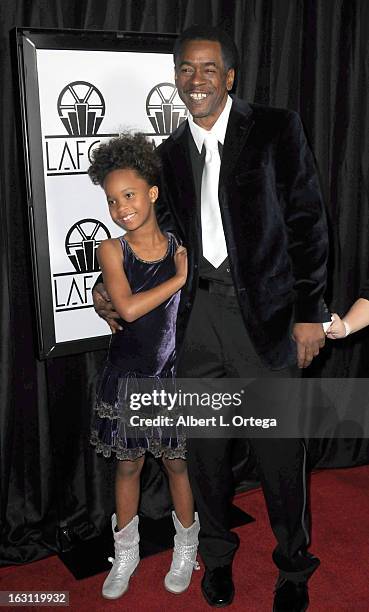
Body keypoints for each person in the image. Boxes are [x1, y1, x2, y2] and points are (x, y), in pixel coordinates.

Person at [93, 26, 330, 610]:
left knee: (280, 456)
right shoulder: (170, 154)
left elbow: (309, 224)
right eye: (184, 70)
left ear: (229, 77)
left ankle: (293, 567)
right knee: (207, 454)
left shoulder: (277, 128)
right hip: (197, 323)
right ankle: (217, 559)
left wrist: (309, 314)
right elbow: (153, 235)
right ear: (175, 78)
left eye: (206, 70)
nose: (194, 81)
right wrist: (106, 286)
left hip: (271, 323)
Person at [88, 133, 200, 600]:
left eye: (129, 195)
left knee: (177, 465)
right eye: (112, 201)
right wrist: (177, 278)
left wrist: (183, 269)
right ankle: (126, 552)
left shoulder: (182, 245)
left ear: (152, 193)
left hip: (170, 381)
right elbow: (129, 310)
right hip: (128, 379)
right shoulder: (111, 250)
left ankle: (186, 547)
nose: (120, 208)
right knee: (128, 467)